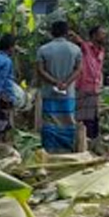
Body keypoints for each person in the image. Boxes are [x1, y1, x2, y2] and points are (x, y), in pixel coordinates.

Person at [36, 20, 83, 152]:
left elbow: (40, 70)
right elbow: (79, 69)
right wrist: (66, 83)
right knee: (68, 121)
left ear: (52, 32)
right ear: (66, 32)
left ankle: (50, 150)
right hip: (68, 93)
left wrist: (55, 82)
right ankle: (67, 149)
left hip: (49, 92)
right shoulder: (75, 49)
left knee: (50, 122)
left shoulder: (43, 49)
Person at [70, 25, 107, 142]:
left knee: (94, 118)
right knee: (85, 119)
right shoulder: (85, 47)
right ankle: (85, 144)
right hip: (84, 87)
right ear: (94, 35)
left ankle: (94, 142)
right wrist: (72, 34)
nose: (104, 36)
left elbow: (99, 69)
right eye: (101, 33)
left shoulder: (101, 51)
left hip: (95, 88)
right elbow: (78, 40)